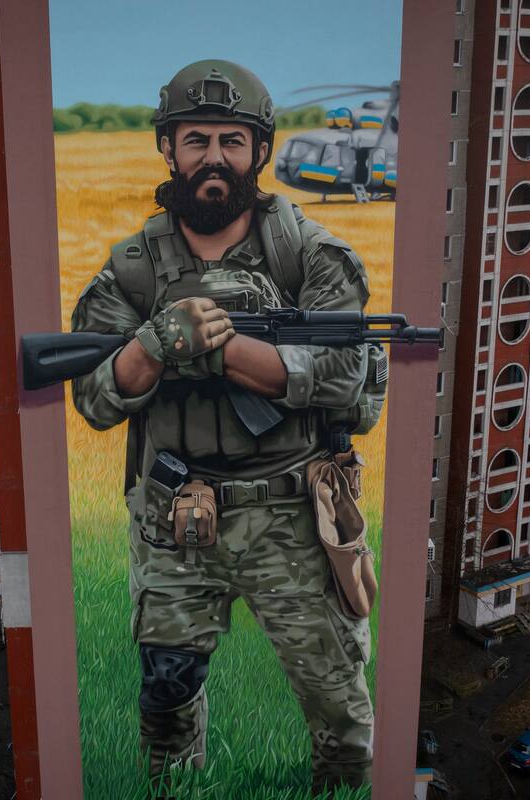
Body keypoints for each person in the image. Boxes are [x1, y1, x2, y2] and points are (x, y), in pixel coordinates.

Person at [70, 59, 375, 793]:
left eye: (233, 142)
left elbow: (345, 373)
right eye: (196, 139)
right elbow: (94, 397)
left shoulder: (310, 254)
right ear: (167, 149)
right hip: (178, 518)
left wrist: (223, 349)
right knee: (167, 702)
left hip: (293, 516)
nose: (214, 159)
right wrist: (151, 346)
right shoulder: (134, 271)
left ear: (259, 152)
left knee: (339, 707)